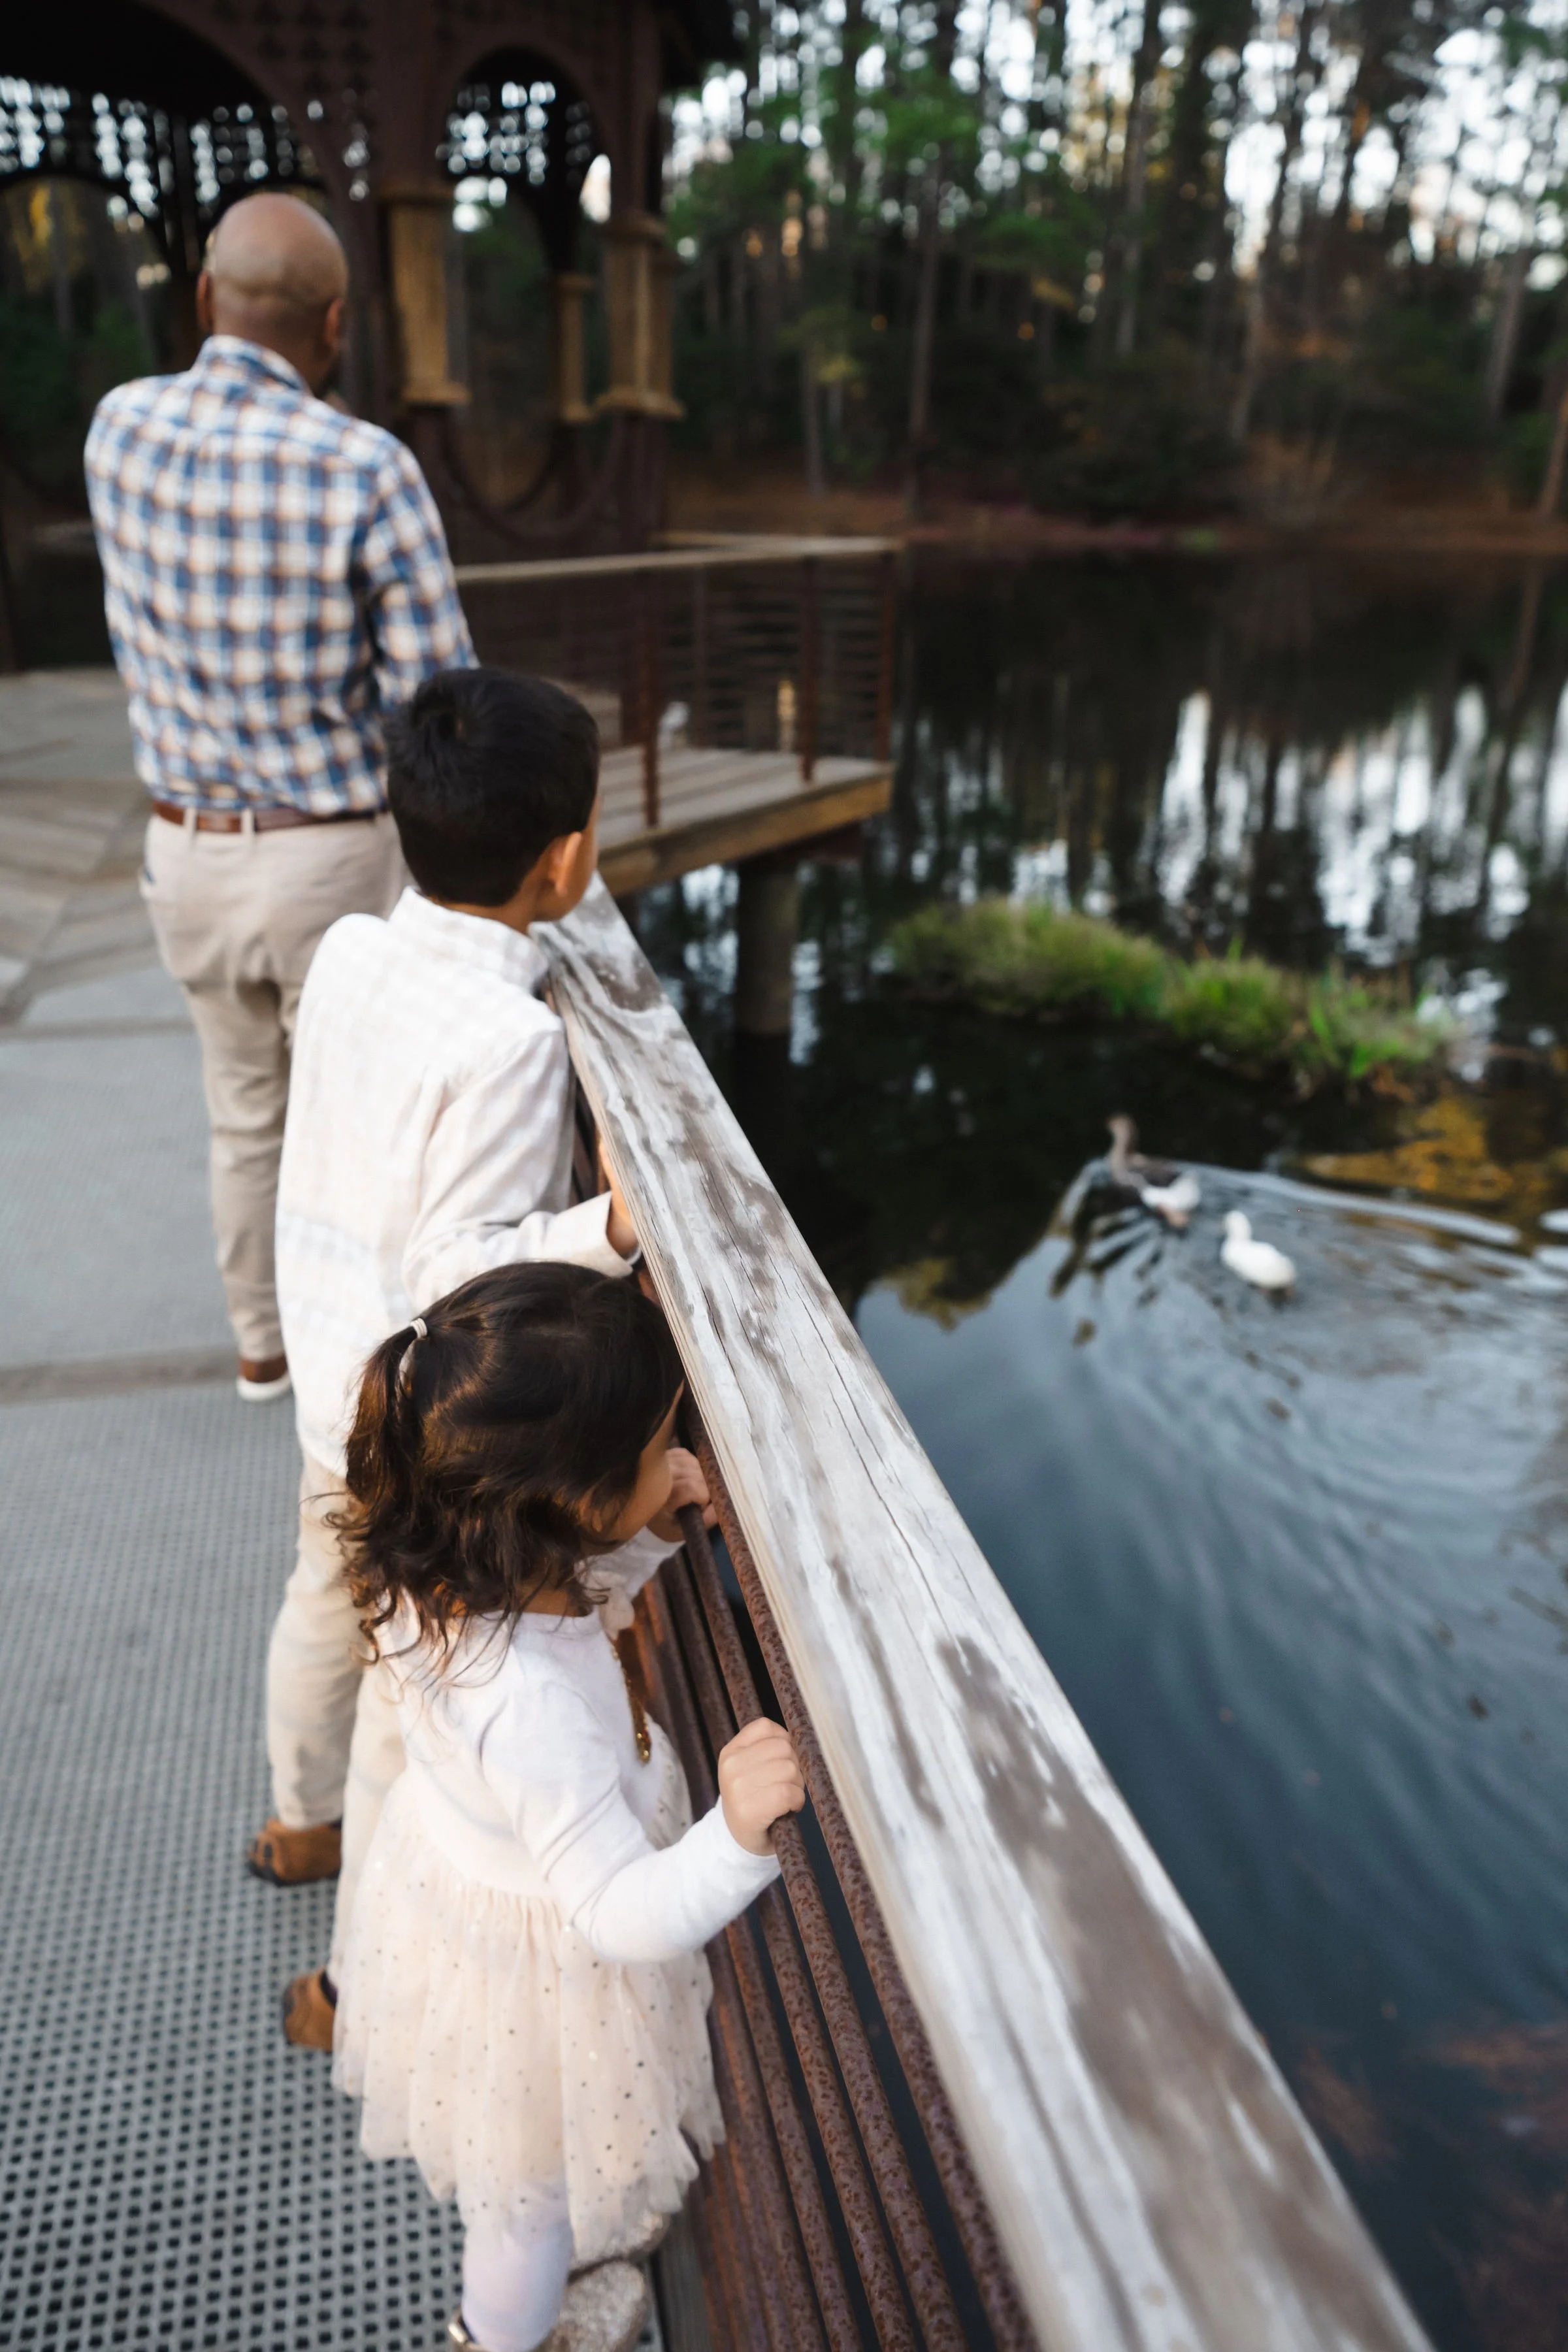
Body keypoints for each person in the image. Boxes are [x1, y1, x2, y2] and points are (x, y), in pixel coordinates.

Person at [254, 666, 640, 2048]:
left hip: (317, 1374)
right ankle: (352, 1988)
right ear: (569, 856)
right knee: (408, 1706)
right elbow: (453, 1270)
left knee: (317, 1605)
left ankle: (298, 1825)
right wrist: (611, 1222)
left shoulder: (353, 950)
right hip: (404, 1426)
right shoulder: (513, 1041)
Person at [331, 1261, 805, 2352]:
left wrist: (646, 1534)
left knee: (524, 2182)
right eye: (656, 1447)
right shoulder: (530, 1705)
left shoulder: (441, 1558)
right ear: (578, 1505)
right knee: (527, 2201)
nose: (674, 1449)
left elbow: (569, 1606)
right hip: (540, 1962)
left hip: (465, 1887)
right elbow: (614, 1911)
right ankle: (496, 2339)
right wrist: (734, 1836)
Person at [84, 191, 475, 1401]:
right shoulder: (367, 466)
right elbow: (439, 707)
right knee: (353, 1136)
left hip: (186, 858)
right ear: (338, 323)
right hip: (331, 866)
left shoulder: (116, 431)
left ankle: (261, 1347)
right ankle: (351, 1380)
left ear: (204, 301)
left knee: (244, 1113)